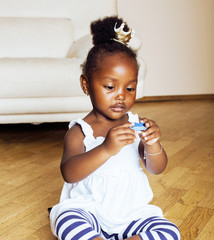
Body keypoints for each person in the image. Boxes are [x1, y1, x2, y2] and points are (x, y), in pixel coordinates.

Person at [50, 16, 180, 240]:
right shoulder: (81, 131)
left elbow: (157, 168)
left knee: (169, 231)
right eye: (110, 86)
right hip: (89, 210)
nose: (121, 95)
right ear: (86, 84)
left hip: (132, 213)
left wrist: (153, 144)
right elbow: (69, 174)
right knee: (67, 221)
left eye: (130, 88)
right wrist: (106, 149)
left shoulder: (135, 125)